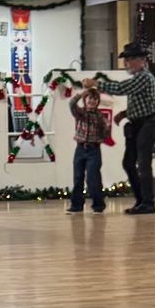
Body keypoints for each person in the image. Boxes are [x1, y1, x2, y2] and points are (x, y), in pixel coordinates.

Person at [84, 43, 155, 215]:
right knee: (130, 163)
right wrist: (125, 113)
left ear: (141, 60)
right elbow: (144, 102)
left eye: (130, 59)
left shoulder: (144, 77)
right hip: (139, 124)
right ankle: (142, 200)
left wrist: (96, 83)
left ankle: (148, 202)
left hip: (147, 124)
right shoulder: (140, 78)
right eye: (126, 60)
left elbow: (121, 88)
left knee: (143, 164)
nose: (127, 63)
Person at [66, 87, 110, 215]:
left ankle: (98, 206)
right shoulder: (80, 113)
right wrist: (81, 94)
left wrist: (106, 129)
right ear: (86, 100)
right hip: (80, 148)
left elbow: (105, 135)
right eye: (90, 98)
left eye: (95, 99)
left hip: (94, 150)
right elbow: (71, 103)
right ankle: (76, 205)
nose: (92, 101)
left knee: (93, 178)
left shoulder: (100, 116)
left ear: (98, 102)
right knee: (78, 177)